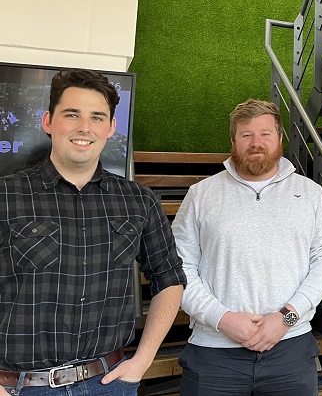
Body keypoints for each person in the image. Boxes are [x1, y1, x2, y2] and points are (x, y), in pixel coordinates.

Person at [0, 68, 186, 395]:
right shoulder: (6, 195)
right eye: (72, 114)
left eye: (97, 117)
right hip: (21, 388)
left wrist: (143, 360)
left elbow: (169, 277)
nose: (85, 127)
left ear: (111, 127)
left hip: (110, 382)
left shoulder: (138, 200)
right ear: (48, 121)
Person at [171, 99, 322, 395]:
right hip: (215, 354)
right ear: (233, 141)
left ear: (279, 139)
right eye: (246, 135)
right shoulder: (201, 195)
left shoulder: (310, 193)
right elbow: (178, 267)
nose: (256, 142)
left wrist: (286, 317)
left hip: (289, 348)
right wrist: (221, 319)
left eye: (265, 134)